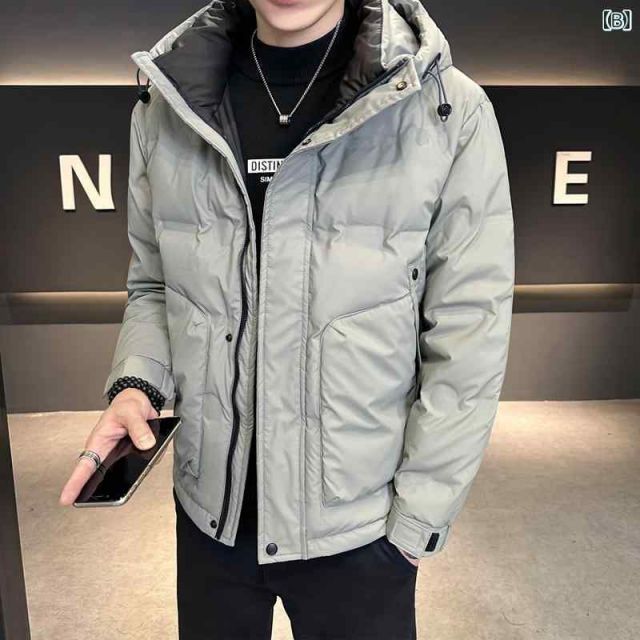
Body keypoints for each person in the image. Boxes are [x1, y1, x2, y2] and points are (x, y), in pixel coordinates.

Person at [60, 0, 515, 636]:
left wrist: (417, 520)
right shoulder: (168, 104)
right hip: (210, 517)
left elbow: (469, 331)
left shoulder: (445, 108)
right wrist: (138, 383)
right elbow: (156, 285)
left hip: (358, 532)